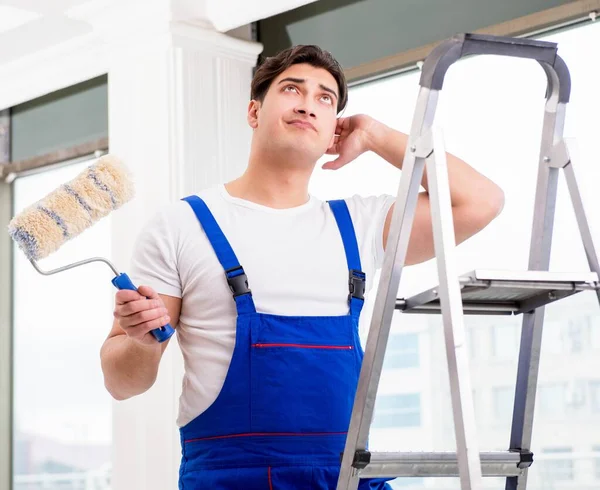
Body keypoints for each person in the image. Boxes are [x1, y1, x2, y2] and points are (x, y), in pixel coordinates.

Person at [100, 45, 504, 489]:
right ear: (254, 112)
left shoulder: (361, 225)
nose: (307, 104)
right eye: (292, 89)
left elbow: (480, 201)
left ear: (334, 130)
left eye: (325, 98)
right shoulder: (181, 225)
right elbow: (123, 384)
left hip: (349, 478)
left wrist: (374, 134)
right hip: (233, 480)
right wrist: (140, 341)